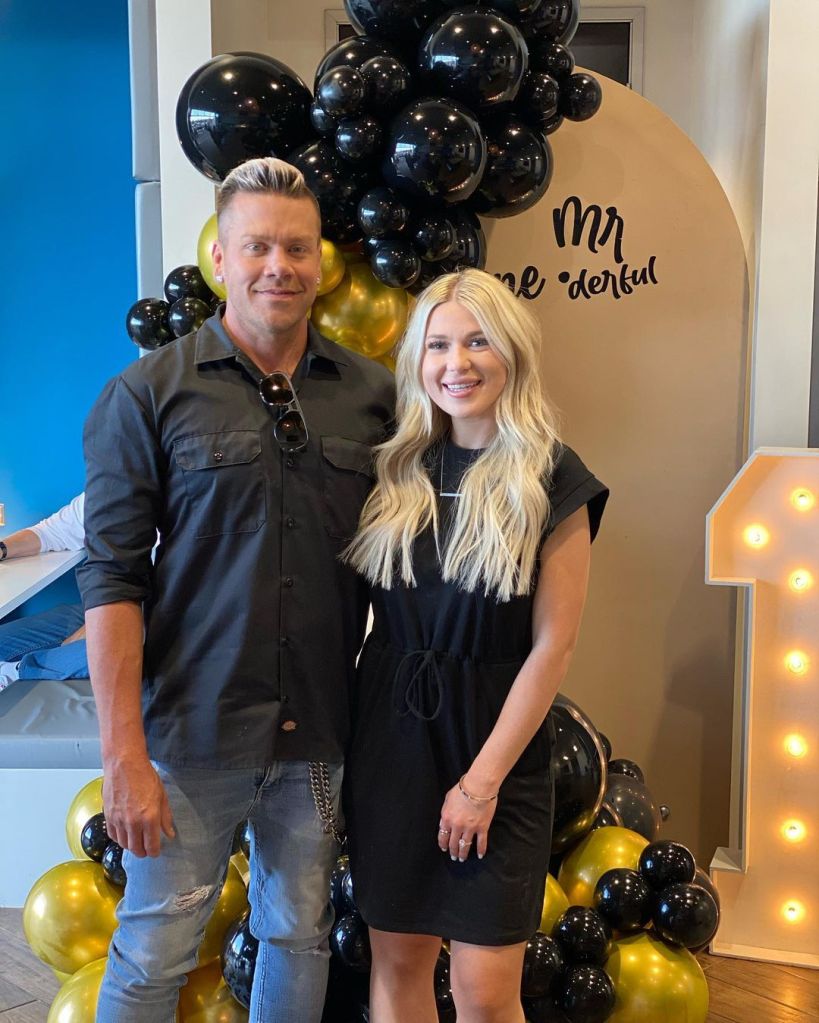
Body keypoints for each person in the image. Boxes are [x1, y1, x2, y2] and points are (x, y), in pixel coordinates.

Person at [78, 157, 394, 1023]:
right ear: (220, 256)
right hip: (189, 738)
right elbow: (109, 580)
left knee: (298, 933)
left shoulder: (373, 396)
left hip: (321, 733)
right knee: (154, 947)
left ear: (321, 259)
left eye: (297, 247)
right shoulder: (147, 395)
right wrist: (122, 757)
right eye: (256, 246)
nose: (278, 266)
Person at [343, 269, 608, 1023]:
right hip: (390, 745)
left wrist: (480, 782)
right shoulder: (391, 472)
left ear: (510, 352)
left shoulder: (552, 479)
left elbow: (551, 648)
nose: (455, 362)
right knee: (397, 966)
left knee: (486, 992)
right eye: (437, 345)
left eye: (475, 340)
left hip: (496, 749)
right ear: (416, 362)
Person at [0, 493, 88, 690]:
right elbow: (50, 532)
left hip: (156, 619)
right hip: (97, 608)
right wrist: (2, 548)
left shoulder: (170, 500)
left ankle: (16, 673)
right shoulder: (109, 488)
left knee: (113, 644)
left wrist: (102, 625)